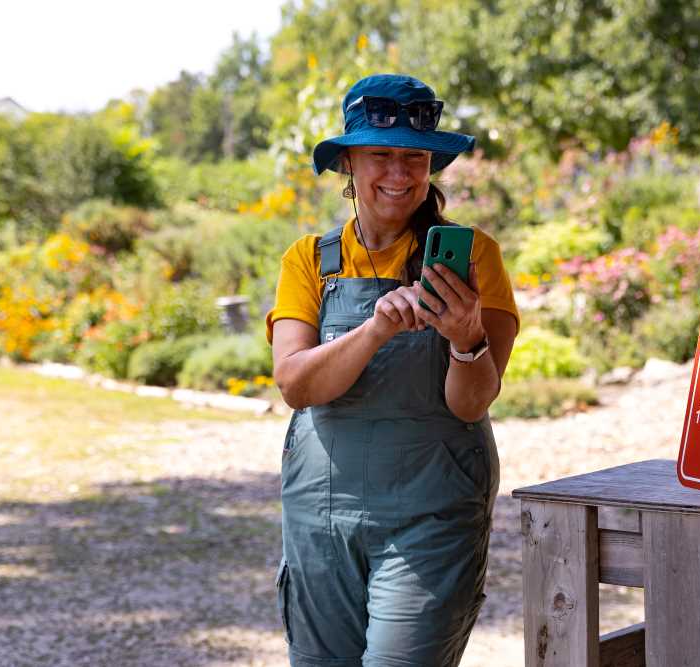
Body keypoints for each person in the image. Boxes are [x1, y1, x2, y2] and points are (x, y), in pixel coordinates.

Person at [265, 74, 519, 667]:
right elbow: (297, 384)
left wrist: (465, 338)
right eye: (381, 154)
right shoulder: (309, 261)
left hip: (432, 515)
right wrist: (374, 329)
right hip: (322, 516)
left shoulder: (474, 257)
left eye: (415, 157)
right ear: (348, 163)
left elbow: (471, 404)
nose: (399, 174)